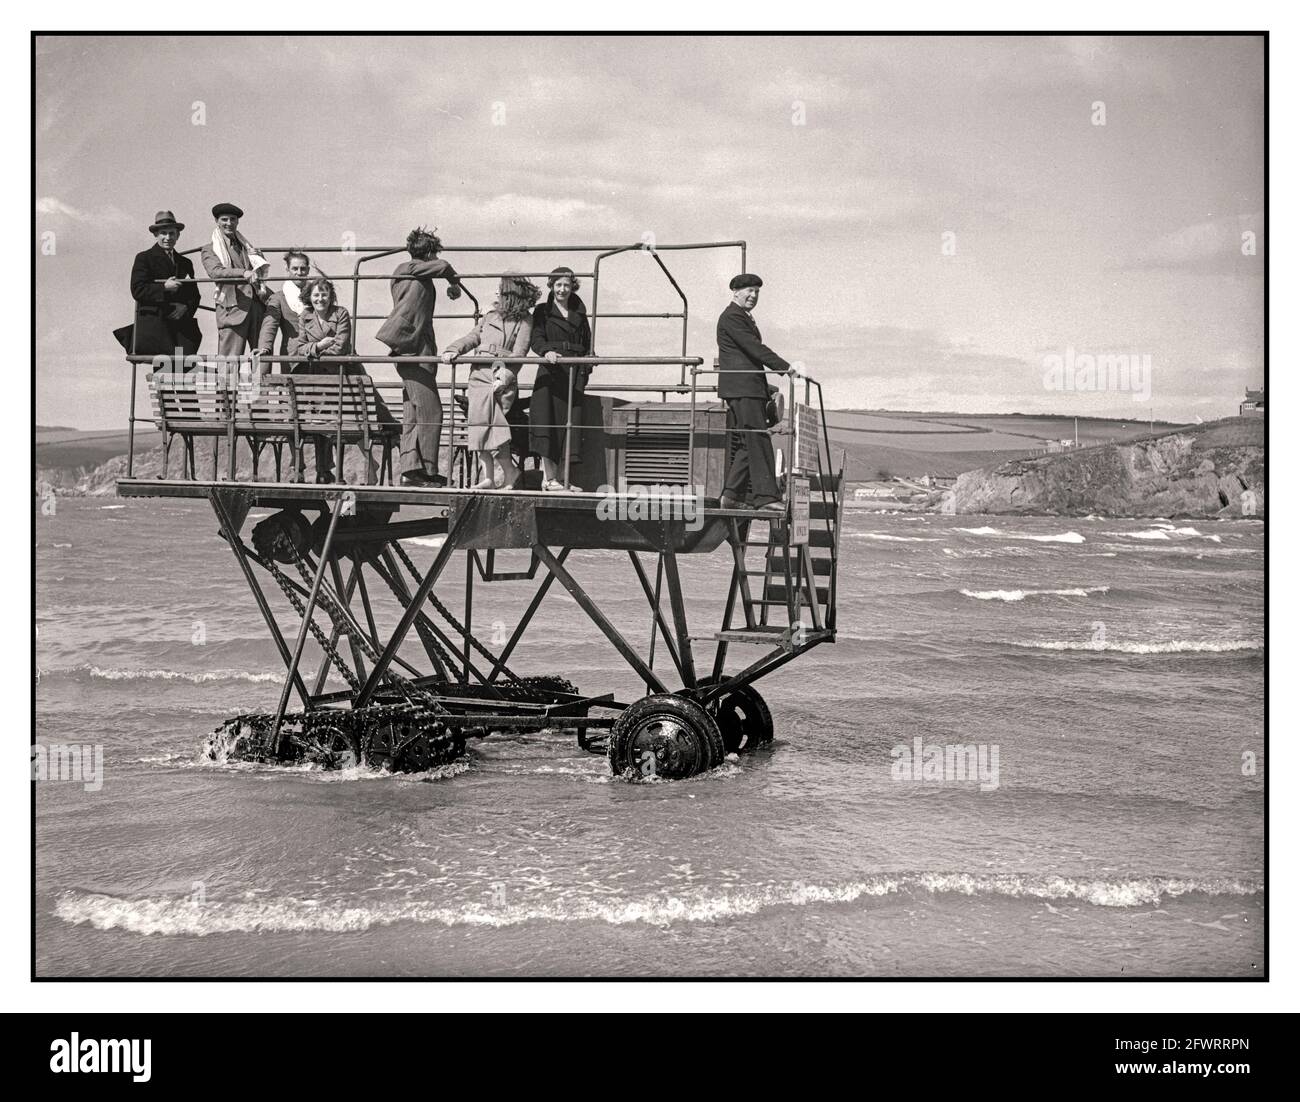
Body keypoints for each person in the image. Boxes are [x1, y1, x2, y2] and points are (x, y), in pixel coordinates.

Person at [375, 226, 464, 487]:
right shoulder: (408, 268)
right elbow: (444, 265)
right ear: (429, 253)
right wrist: (454, 283)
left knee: (413, 411)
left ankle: (412, 470)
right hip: (409, 346)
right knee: (432, 410)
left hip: (418, 346)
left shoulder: (415, 273)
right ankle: (424, 471)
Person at [442, 276, 538, 490]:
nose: (497, 295)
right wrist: (453, 349)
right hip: (478, 375)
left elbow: (519, 353)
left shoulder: (525, 320)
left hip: (500, 376)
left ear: (511, 295)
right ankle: (490, 477)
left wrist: (504, 378)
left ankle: (510, 471)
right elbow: (472, 337)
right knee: (478, 425)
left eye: (501, 291)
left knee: (494, 426)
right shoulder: (488, 317)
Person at [716, 273, 794, 512]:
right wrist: (785, 367)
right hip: (743, 388)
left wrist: (766, 387)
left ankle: (730, 495)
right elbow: (753, 348)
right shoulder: (732, 317)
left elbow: (747, 356)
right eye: (749, 290)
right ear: (735, 293)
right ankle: (766, 498)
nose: (753, 295)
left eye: (757, 292)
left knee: (746, 443)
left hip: (746, 387)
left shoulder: (742, 317)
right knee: (758, 438)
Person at [528, 266, 592, 491]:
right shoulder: (542, 311)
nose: (562, 289)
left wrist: (588, 365)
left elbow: (588, 343)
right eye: (558, 285)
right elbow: (536, 338)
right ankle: (549, 479)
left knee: (570, 425)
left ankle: (564, 479)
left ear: (572, 286)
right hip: (551, 372)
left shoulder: (580, 314)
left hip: (575, 373)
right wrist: (546, 351)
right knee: (550, 423)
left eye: (566, 285)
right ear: (551, 286)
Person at [287, 278, 357, 482]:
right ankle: (321, 471)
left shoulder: (341, 313)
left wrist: (314, 349)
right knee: (316, 421)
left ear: (331, 295)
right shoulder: (305, 316)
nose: (320, 299)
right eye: (316, 294)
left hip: (336, 376)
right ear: (309, 297)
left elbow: (341, 347)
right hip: (313, 378)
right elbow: (300, 348)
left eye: (324, 294)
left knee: (330, 422)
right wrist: (319, 346)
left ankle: (325, 470)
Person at [126, 210, 202, 359]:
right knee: (164, 373)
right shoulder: (144, 258)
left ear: (178, 235)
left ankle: (181, 381)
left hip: (181, 326)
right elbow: (137, 289)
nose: (168, 238)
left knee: (183, 369)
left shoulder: (185, 262)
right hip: (157, 325)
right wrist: (164, 287)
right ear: (156, 235)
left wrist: (185, 307)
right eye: (163, 233)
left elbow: (195, 295)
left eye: (171, 233)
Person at [200, 202, 271, 356]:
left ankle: (261, 382)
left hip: (257, 307)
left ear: (237, 222)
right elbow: (215, 272)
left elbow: (261, 272)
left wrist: (258, 258)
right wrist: (243, 273)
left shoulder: (248, 247)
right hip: (232, 310)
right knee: (229, 363)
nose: (229, 223)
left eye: (233, 219)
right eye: (224, 219)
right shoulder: (210, 249)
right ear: (217, 221)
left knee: (261, 360)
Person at [257, 249, 313, 367]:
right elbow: (269, 326)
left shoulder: (318, 295)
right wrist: (264, 348)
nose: (299, 272)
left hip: (319, 353)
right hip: (293, 355)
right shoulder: (278, 298)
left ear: (308, 270)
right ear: (287, 270)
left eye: (303, 269)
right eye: (295, 268)